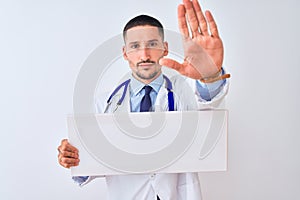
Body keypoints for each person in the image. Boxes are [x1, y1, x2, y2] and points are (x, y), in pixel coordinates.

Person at [57, 0, 230, 199]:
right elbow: (91, 166)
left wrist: (208, 75)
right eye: (135, 46)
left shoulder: (184, 91)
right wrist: (74, 158)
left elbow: (208, 97)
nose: (144, 54)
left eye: (152, 44)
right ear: (125, 53)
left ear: (165, 48)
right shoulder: (103, 104)